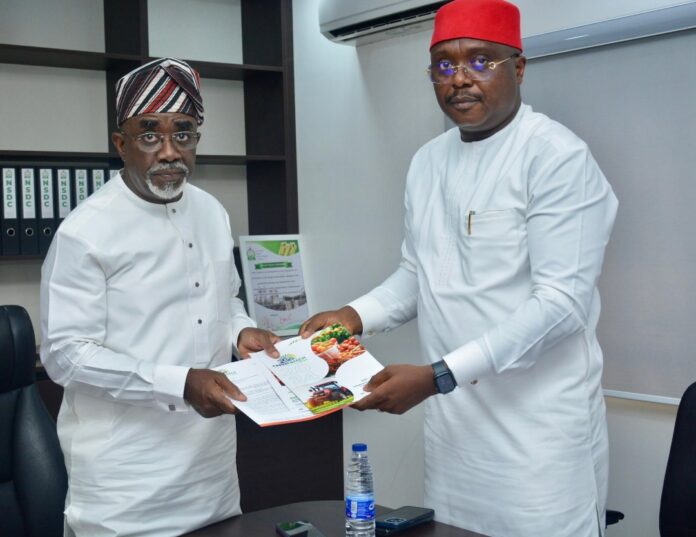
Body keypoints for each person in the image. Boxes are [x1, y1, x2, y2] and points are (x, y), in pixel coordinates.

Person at [300, 1, 618, 536]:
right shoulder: (428, 161)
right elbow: (419, 275)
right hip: (455, 438)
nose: (460, 79)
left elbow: (561, 305)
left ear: (517, 68)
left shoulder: (556, 157)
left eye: (481, 61)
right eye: (444, 66)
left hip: (538, 444)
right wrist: (354, 315)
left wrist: (438, 375)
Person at [40, 57, 280, 537]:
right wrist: (178, 382)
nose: (170, 152)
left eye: (184, 134)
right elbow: (65, 355)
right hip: (125, 486)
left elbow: (224, 300)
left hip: (211, 476)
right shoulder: (86, 231)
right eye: (149, 135)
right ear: (120, 144)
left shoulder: (212, 212)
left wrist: (241, 331)